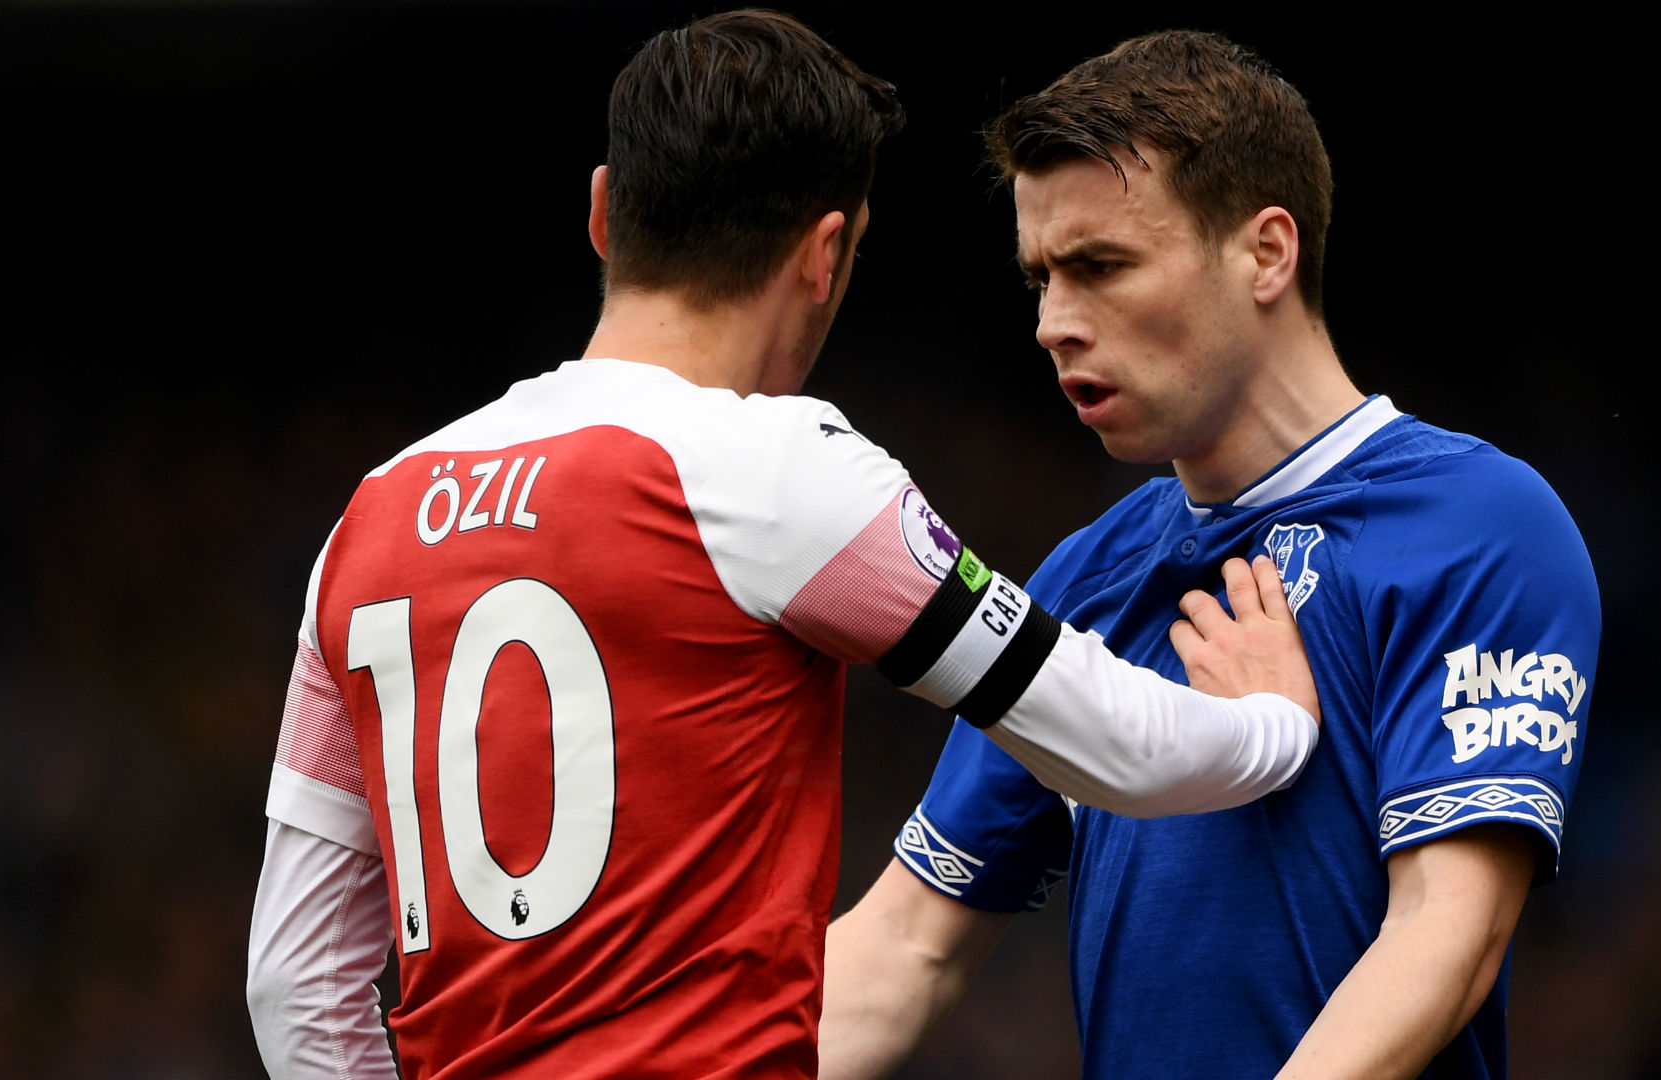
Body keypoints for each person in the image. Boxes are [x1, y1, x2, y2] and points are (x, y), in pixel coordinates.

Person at [243, 12, 1326, 1080]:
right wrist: (1273, 726)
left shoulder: (369, 521)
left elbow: (295, 985)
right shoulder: (770, 471)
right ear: (826, 253)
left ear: (605, 213)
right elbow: (1114, 743)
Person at [819, 29, 1601, 1080]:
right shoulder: (1085, 576)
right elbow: (906, 947)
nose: (1053, 324)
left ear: (1267, 252)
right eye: (1041, 278)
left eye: (1100, 267)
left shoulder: (1476, 525)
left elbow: (1445, 933)